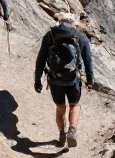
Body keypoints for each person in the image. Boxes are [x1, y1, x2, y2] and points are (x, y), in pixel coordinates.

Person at [34, 12, 94, 148]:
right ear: (73, 24)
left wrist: (37, 80)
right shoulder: (80, 37)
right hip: (73, 79)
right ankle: (72, 130)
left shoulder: (50, 36)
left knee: (60, 107)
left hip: (54, 79)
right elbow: (88, 61)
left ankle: (61, 134)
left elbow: (41, 60)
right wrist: (90, 80)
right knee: (74, 105)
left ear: (60, 23)